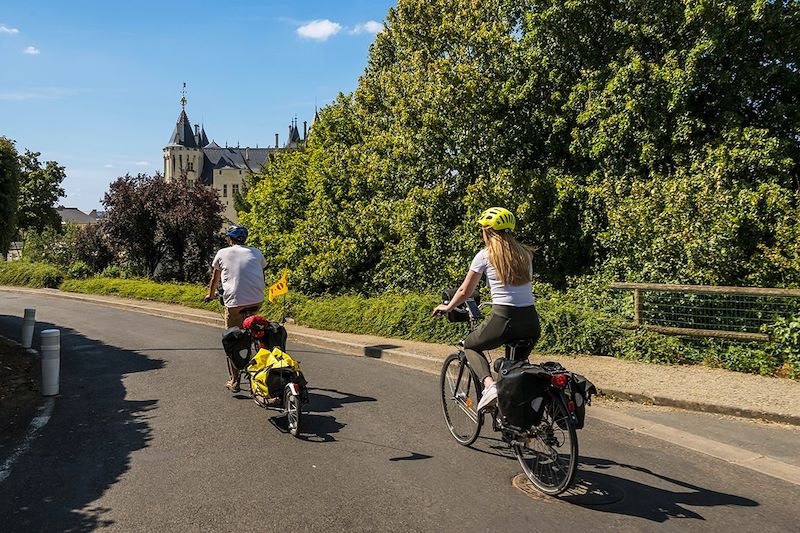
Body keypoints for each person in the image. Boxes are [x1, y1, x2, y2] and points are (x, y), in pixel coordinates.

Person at [432, 207, 540, 412]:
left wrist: (447, 307)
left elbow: (464, 291)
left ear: (487, 231)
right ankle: (521, 432)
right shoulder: (526, 255)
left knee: (470, 345)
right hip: (531, 322)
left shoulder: (485, 255)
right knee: (513, 372)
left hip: (504, 319)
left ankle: (489, 386)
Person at [205, 224, 267, 392]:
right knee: (255, 328)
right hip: (256, 301)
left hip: (234, 303)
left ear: (230, 239)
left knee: (232, 339)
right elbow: (261, 274)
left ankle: (234, 380)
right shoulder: (256, 252)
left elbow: (215, 280)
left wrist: (210, 295)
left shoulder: (222, 253)